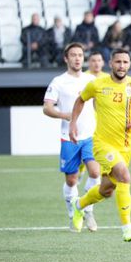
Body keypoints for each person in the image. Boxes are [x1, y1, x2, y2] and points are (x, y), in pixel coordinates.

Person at [69, 48, 131, 242]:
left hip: (125, 147)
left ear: (129, 64)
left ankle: (78, 205)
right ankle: (127, 228)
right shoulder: (97, 84)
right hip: (102, 144)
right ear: (111, 64)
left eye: (125, 62)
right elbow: (80, 100)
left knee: (107, 189)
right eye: (118, 62)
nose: (122, 66)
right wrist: (73, 123)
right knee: (124, 175)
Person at [43, 43, 100, 232]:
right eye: (73, 55)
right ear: (66, 59)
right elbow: (47, 107)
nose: (77, 58)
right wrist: (64, 115)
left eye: (80, 55)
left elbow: (101, 103)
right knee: (72, 180)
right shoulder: (59, 82)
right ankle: (73, 214)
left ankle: (88, 209)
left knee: (95, 172)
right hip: (69, 137)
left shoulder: (91, 80)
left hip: (91, 135)